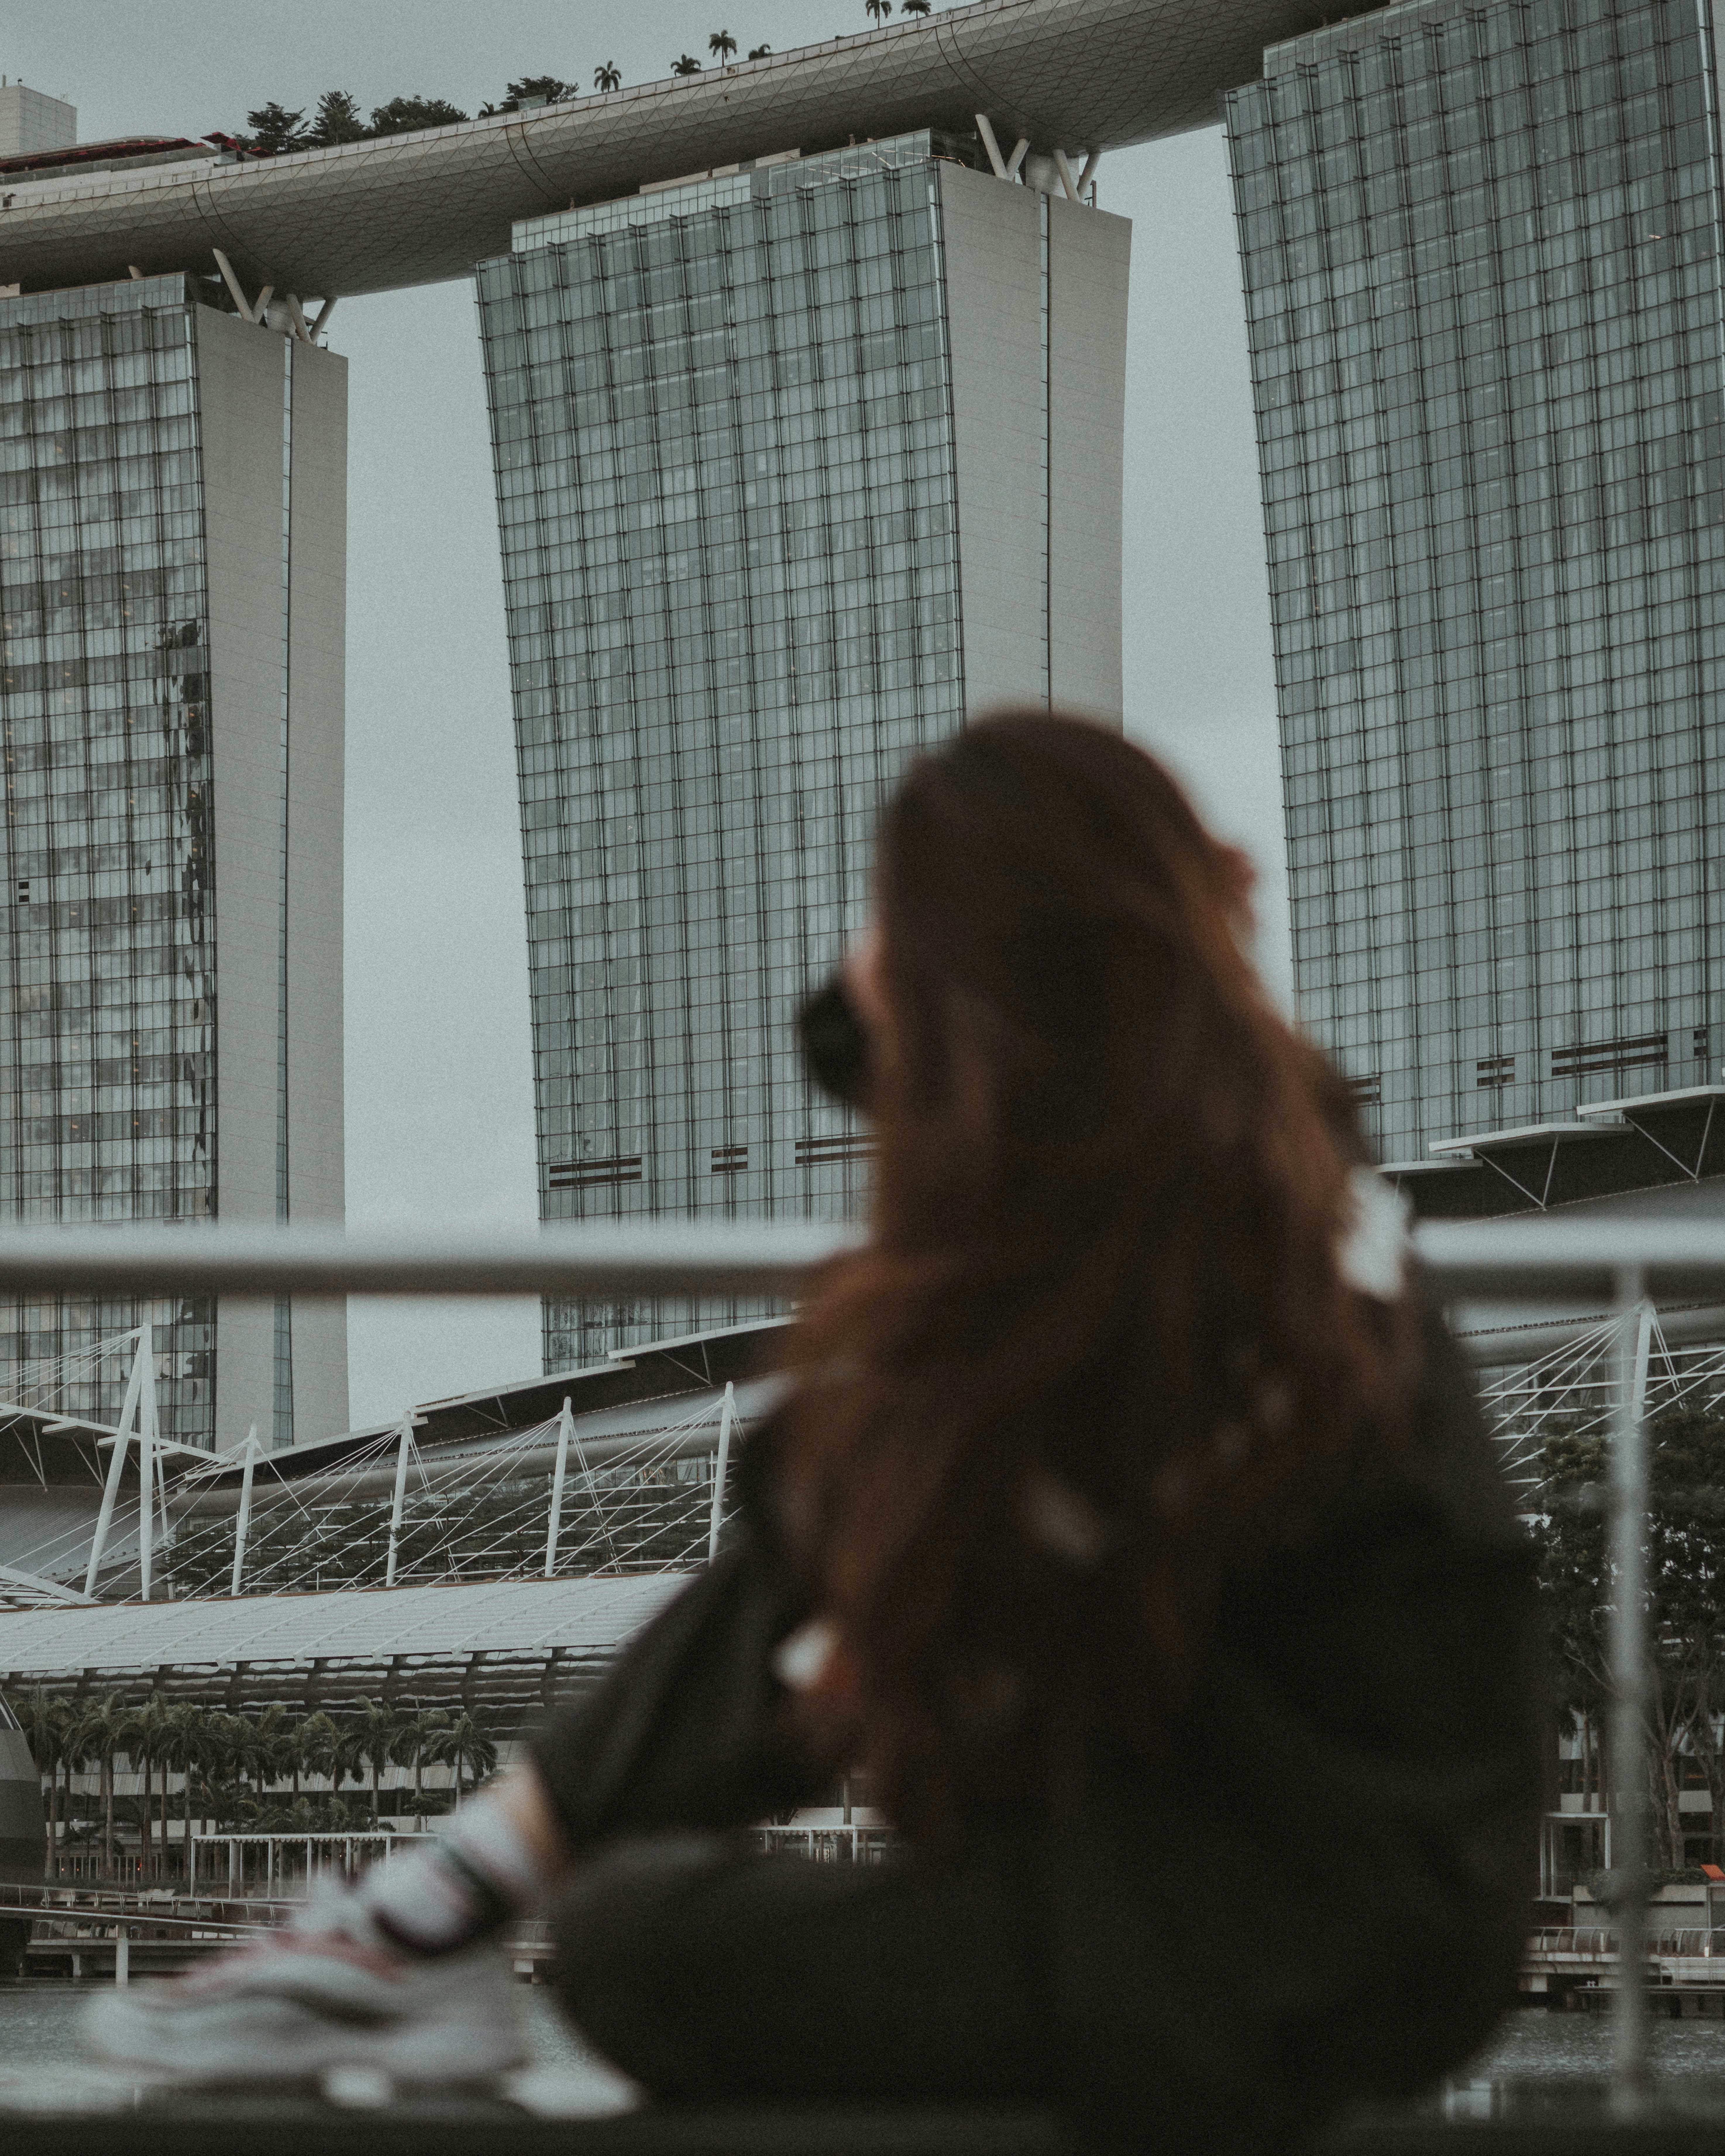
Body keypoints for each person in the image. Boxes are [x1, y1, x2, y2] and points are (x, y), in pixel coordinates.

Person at [87, 714, 1542, 2146]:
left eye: (888, 920)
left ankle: (413, 1920)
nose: (859, 961)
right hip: (1282, 1899)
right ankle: (419, 1917)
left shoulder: (1206, 1274)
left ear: (971, 970)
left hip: (1272, 1942)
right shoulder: (1246, 1185)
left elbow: (880, 1569)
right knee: (822, 1545)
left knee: (635, 1936)